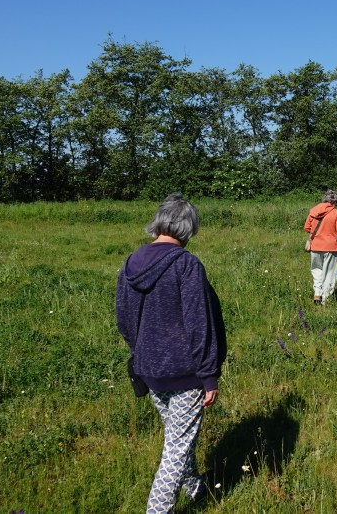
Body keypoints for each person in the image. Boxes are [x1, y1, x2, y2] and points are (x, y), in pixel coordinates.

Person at [116, 193, 227, 514]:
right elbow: (199, 323)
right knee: (176, 449)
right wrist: (209, 375)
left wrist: (140, 352)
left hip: (148, 369)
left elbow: (123, 319)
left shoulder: (130, 263)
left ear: (159, 222)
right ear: (188, 228)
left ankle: (196, 488)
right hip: (186, 373)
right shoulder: (186, 264)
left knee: (179, 438)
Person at [304, 189, 337, 305]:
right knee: (329, 273)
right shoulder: (335, 213)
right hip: (331, 247)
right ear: (335, 202)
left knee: (317, 270)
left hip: (315, 246)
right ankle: (325, 300)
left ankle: (317, 293)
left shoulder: (313, 210)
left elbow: (307, 227)